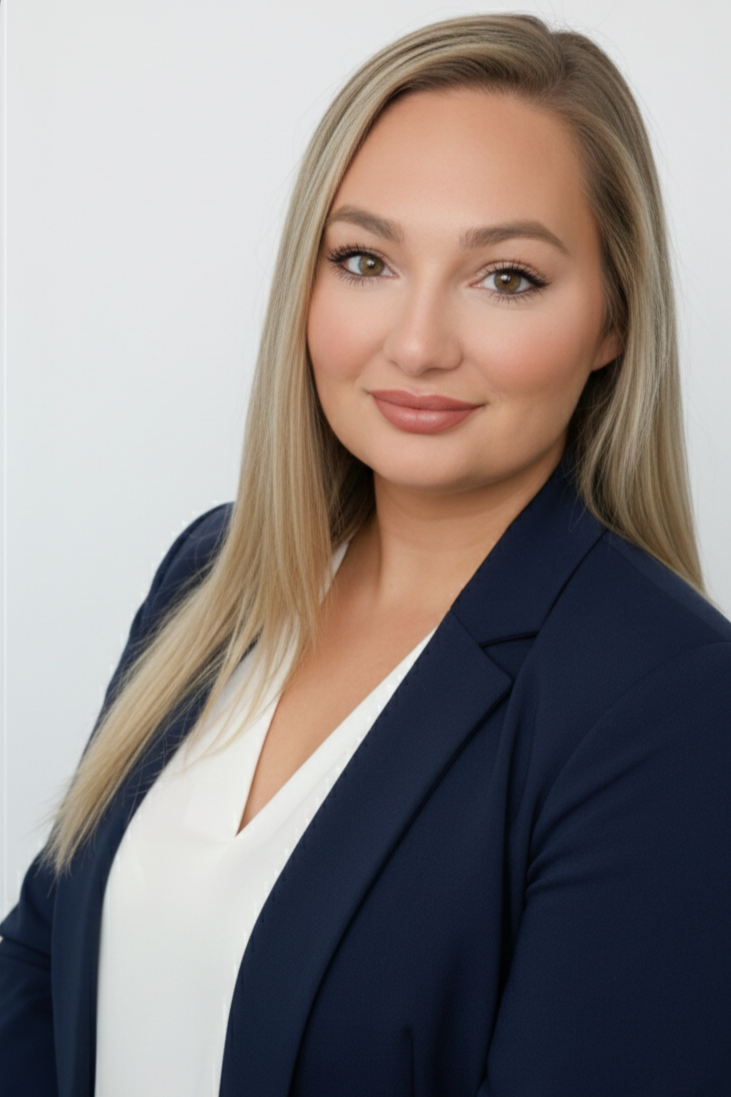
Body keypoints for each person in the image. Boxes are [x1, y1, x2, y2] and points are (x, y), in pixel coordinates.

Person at [1, 12, 730, 1096]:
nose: (418, 343)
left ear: (612, 320)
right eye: (365, 260)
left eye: (506, 277)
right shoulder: (212, 574)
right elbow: (42, 966)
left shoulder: (664, 699)